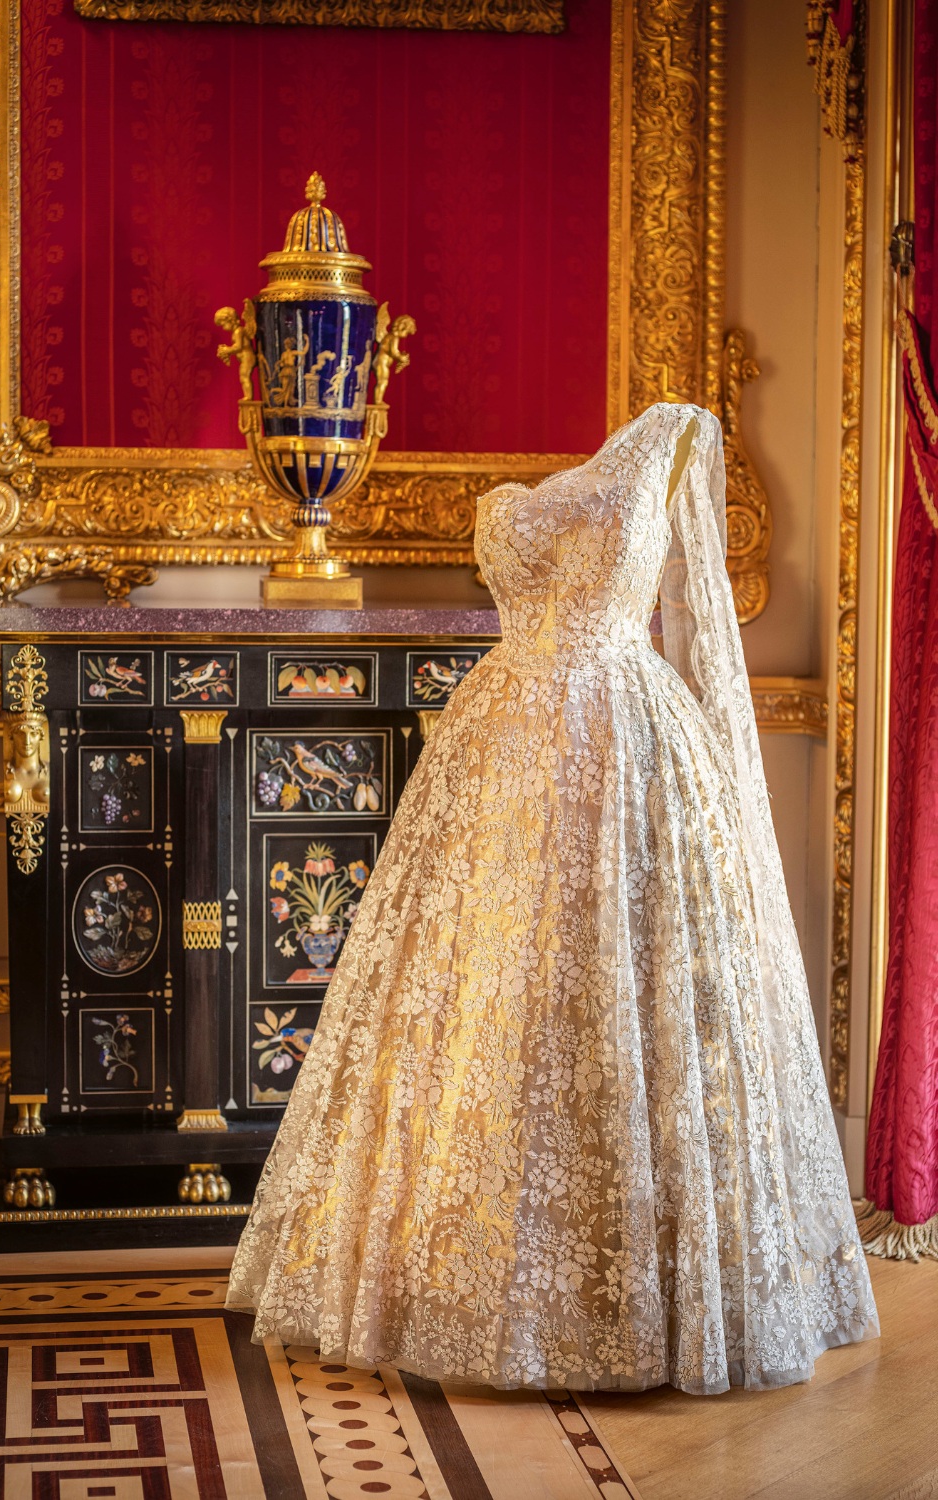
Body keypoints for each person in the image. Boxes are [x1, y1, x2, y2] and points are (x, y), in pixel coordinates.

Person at [227, 401, 879, 1394]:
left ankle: (645, 1298)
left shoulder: (675, 439)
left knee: (621, 994)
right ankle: (472, 1288)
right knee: (491, 1002)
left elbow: (702, 625)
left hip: (628, 739)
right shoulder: (534, 497)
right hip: (500, 746)